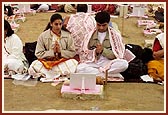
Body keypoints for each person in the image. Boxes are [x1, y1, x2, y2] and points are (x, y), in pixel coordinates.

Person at [75, 11, 129, 80]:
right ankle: (109, 75)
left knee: (124, 64)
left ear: (108, 23)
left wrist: (103, 50)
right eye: (98, 25)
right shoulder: (89, 35)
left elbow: (118, 55)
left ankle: (100, 74)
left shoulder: (115, 36)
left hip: (108, 62)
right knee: (79, 68)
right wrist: (95, 52)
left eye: (104, 25)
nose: (101, 28)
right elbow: (84, 53)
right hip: (94, 62)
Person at [28, 13, 78, 79]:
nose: (58, 27)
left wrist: (60, 52)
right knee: (34, 64)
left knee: (74, 63)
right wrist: (52, 53)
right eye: (56, 24)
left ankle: (49, 74)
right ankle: (59, 73)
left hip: (62, 62)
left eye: (60, 24)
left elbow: (72, 52)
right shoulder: (43, 36)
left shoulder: (67, 35)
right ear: (51, 24)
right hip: (47, 63)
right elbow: (38, 54)